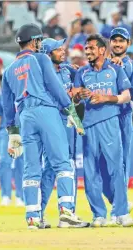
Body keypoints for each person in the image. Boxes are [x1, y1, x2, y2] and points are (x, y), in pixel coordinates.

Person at [1, 23, 88, 229]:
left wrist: (12, 130)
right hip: (45, 111)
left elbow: (7, 104)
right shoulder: (40, 58)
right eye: (39, 41)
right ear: (33, 41)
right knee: (63, 162)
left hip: (25, 117)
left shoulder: (8, 70)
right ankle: (67, 210)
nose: (40, 44)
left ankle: (32, 217)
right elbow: (54, 85)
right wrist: (70, 110)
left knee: (31, 168)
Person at [73, 34, 133, 227]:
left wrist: (107, 99)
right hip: (89, 125)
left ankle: (121, 212)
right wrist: (78, 96)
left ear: (102, 50)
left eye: (91, 48)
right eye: (86, 49)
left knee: (116, 167)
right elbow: (74, 100)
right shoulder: (81, 72)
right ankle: (98, 215)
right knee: (90, 171)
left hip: (110, 121)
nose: (88, 52)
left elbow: (127, 95)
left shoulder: (115, 69)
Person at [91, 27, 133, 226]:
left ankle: (118, 211)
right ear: (109, 44)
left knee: (119, 164)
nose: (118, 44)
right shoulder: (101, 64)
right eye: (114, 41)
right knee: (98, 166)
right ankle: (117, 202)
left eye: (122, 41)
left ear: (128, 44)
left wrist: (122, 71)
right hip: (99, 119)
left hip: (121, 118)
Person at [39, 38, 79, 227]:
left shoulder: (66, 71)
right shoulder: (42, 75)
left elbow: (73, 92)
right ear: (48, 54)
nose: (63, 52)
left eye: (63, 48)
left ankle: (67, 212)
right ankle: (56, 211)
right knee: (54, 167)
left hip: (67, 122)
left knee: (66, 164)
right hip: (52, 122)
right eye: (57, 49)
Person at [0, 94, 24, 206]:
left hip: (23, 130)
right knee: (5, 162)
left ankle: (21, 196)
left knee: (21, 164)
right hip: (6, 131)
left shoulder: (24, 94)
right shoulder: (1, 97)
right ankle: (5, 196)